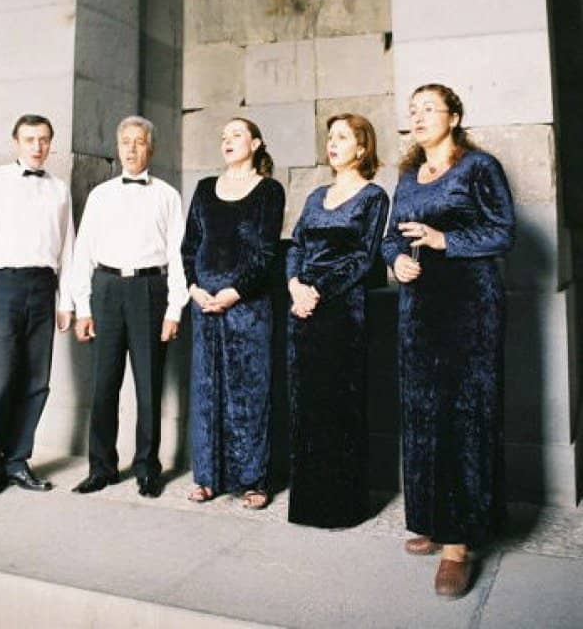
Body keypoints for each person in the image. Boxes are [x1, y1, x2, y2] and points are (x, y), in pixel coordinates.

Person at [381, 84, 515, 598]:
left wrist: (444, 241)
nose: (417, 116)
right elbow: (393, 235)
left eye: (428, 109)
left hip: (470, 306)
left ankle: (459, 545)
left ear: (454, 116)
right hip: (419, 307)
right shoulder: (408, 175)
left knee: (463, 413)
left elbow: (504, 231)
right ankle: (434, 519)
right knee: (423, 411)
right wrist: (397, 259)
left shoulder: (480, 168)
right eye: (412, 110)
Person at [71, 116, 187, 498]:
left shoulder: (168, 195)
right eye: (126, 142)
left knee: (148, 384)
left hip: (150, 289)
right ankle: (101, 467)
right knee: (104, 383)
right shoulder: (101, 195)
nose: (132, 149)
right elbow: (83, 250)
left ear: (150, 148)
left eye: (139, 142)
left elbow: (178, 255)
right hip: (105, 289)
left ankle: (147, 469)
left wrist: (174, 310)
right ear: (118, 148)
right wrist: (83, 307)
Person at [286, 114, 388, 528]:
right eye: (330, 137)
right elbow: (295, 244)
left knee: (339, 407)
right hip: (303, 311)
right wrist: (294, 285)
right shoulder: (315, 197)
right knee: (306, 405)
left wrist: (318, 291)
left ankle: (342, 508)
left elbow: (363, 258)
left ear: (362, 148)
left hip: (343, 313)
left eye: (342, 137)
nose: (333, 143)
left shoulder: (373, 197)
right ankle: (308, 507)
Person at [0, 114, 74, 499]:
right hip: (3, 286)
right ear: (16, 142)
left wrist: (68, 300)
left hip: (44, 288)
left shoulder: (59, 189)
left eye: (44, 139)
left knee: (35, 382)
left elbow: (67, 246)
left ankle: (17, 461)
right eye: (29, 139)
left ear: (50, 143)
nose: (37, 146)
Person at [181, 117, 285, 509]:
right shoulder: (205, 188)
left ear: (256, 143)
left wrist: (233, 292)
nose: (227, 140)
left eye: (236, 134)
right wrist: (194, 287)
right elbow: (190, 245)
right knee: (206, 391)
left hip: (248, 305)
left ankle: (253, 480)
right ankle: (207, 478)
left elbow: (267, 254)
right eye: (223, 135)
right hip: (204, 303)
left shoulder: (269, 191)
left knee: (248, 392)